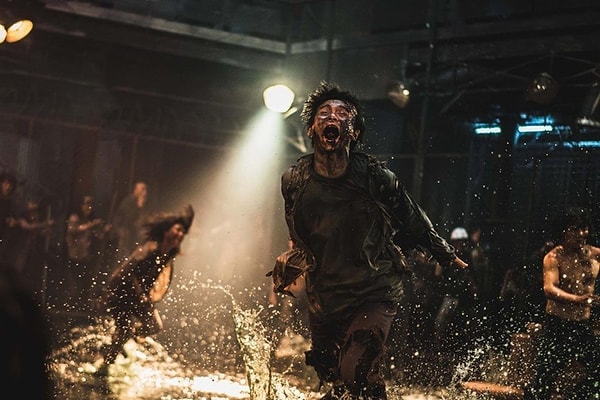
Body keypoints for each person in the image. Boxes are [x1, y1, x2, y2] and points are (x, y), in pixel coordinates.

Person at [267, 82, 469, 399]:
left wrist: (445, 255)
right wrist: (295, 254)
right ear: (312, 128)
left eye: (342, 112)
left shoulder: (375, 176)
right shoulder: (294, 179)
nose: (333, 116)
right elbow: (295, 223)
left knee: (354, 368)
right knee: (332, 373)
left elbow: (412, 215)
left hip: (373, 288)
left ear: (354, 132)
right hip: (326, 292)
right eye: (324, 112)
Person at [96, 204, 194, 375]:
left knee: (154, 326)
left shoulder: (168, 255)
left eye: (182, 233)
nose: (180, 234)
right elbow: (127, 270)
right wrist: (108, 292)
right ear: (166, 231)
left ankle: (117, 343)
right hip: (122, 294)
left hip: (141, 298)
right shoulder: (151, 248)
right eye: (178, 229)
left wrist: (147, 295)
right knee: (125, 330)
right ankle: (104, 367)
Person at [524, 211, 600, 400]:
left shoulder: (595, 255)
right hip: (557, 326)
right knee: (543, 382)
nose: (582, 234)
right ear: (564, 232)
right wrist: (579, 299)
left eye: (584, 228)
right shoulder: (554, 257)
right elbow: (549, 289)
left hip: (581, 326)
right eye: (575, 229)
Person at [65, 195, 109, 311]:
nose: (89, 207)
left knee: (85, 284)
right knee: (74, 284)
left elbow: (98, 235)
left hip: (86, 256)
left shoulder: (89, 220)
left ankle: (81, 308)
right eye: (86, 204)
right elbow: (73, 229)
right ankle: (70, 309)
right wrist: (91, 225)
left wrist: (104, 231)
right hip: (74, 255)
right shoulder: (75, 217)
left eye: (90, 205)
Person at [112, 181, 149, 260]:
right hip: (126, 235)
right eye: (142, 189)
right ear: (136, 190)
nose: (145, 192)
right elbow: (129, 219)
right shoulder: (129, 201)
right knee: (124, 258)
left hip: (135, 236)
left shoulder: (144, 203)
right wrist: (139, 205)